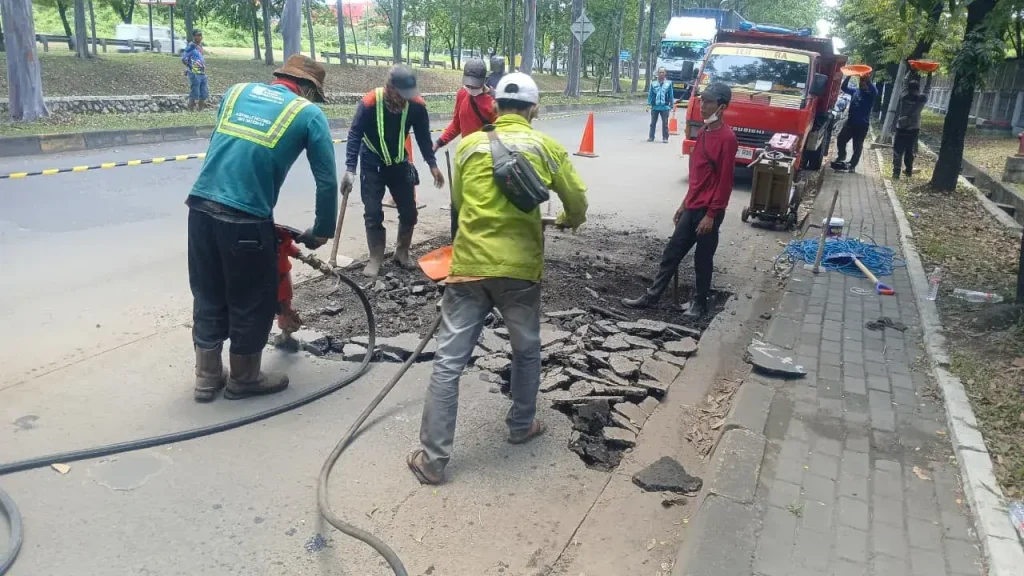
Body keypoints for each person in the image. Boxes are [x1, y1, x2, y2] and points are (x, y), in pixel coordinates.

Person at [407, 73, 589, 485]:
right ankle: (521, 425)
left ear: (494, 106)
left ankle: (433, 461)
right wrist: (567, 219)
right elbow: (577, 201)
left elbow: (459, 205)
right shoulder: (546, 147)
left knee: (448, 363)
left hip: (469, 267)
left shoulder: (469, 146)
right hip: (520, 271)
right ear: (534, 109)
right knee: (526, 351)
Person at [187, 54, 338, 402]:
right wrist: (322, 229)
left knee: (208, 292)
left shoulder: (236, 92)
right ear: (308, 89)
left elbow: (226, 148)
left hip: (201, 208)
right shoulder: (308, 113)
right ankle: (245, 378)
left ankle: (207, 377)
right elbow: (327, 181)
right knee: (251, 299)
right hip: (246, 219)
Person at [621, 82, 737, 318]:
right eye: (702, 100)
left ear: (722, 107)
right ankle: (652, 296)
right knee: (672, 252)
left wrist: (711, 215)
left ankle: (700, 303)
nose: (702, 106)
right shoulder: (703, 132)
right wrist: (684, 204)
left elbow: (725, 182)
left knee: (702, 259)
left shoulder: (727, 138)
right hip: (692, 206)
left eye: (709, 102)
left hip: (709, 210)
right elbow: (697, 176)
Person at [343, 66, 445, 277]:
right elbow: (354, 134)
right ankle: (376, 256)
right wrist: (350, 169)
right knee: (372, 212)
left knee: (409, 211)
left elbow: (423, 136)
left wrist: (432, 165)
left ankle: (402, 252)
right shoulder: (370, 103)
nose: (405, 99)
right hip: (372, 164)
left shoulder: (416, 105)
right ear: (390, 88)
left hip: (399, 164)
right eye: (402, 94)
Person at [434, 58, 498, 239]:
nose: (471, 88)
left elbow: (497, 136)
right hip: (465, 159)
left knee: (479, 206)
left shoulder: (494, 102)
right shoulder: (462, 94)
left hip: (485, 162)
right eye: (468, 84)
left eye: (474, 85)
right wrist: (439, 143)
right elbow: (457, 124)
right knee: (457, 203)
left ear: (484, 81)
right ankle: (457, 243)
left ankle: (480, 242)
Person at [831, 74, 877, 173]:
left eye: (864, 81)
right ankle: (841, 155)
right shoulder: (855, 91)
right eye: (861, 80)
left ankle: (852, 165)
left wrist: (868, 80)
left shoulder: (870, 94)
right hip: (850, 122)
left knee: (857, 146)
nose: (862, 83)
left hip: (862, 125)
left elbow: (875, 91)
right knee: (841, 139)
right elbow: (844, 87)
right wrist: (849, 76)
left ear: (867, 83)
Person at [892, 79, 929, 179]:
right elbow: (927, 89)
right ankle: (908, 171)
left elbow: (904, 83)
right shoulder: (922, 100)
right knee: (910, 151)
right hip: (914, 130)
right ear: (918, 89)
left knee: (898, 151)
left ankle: (896, 172)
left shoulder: (903, 97)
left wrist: (910, 71)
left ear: (908, 89)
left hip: (901, 128)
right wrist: (929, 75)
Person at [182, 29, 208, 111]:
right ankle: (190, 112)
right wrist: (190, 68)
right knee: (194, 93)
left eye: (201, 35)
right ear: (194, 36)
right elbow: (184, 59)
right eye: (198, 35)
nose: (200, 37)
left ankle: (200, 111)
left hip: (202, 73)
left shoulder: (200, 47)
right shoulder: (191, 46)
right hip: (194, 73)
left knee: (204, 93)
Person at [647, 67, 675, 143]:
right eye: (660, 72)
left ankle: (665, 138)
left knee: (665, 124)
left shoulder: (668, 84)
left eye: (663, 72)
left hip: (665, 107)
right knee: (653, 123)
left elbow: (671, 95)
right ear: (657, 73)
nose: (661, 74)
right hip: (655, 107)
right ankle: (651, 137)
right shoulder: (653, 83)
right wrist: (648, 104)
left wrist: (672, 105)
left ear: (665, 73)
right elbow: (650, 95)